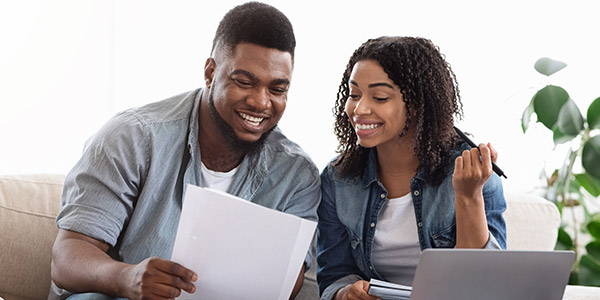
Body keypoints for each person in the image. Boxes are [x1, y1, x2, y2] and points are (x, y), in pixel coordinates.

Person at [49, 2, 320, 300]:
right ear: (210, 73)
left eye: (277, 90)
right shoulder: (134, 137)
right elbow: (67, 257)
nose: (261, 102)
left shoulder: (297, 175)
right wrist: (128, 277)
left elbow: (288, 283)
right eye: (244, 82)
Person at [316, 36, 507, 300]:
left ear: (417, 104)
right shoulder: (338, 179)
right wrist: (345, 293)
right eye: (354, 94)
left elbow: (484, 286)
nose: (359, 109)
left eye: (380, 97)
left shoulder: (471, 172)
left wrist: (468, 195)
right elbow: (333, 276)